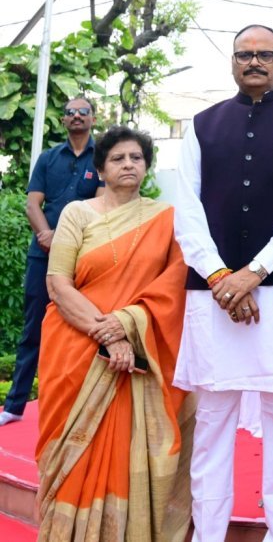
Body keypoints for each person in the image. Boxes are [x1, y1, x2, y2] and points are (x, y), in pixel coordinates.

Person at [173, 24, 273, 542]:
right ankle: (208, 534)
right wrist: (222, 277)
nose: (255, 61)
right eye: (245, 54)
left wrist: (254, 272)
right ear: (232, 62)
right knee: (213, 422)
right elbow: (187, 210)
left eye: (265, 54)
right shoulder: (202, 124)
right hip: (213, 291)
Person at [36, 126, 193, 541]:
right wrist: (109, 335)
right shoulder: (77, 213)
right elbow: (58, 284)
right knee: (73, 454)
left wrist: (127, 323)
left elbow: (175, 286)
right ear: (101, 169)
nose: (128, 164)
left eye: (136, 158)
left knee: (127, 450)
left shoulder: (165, 218)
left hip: (138, 353)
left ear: (146, 167)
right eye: (118, 159)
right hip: (76, 346)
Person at [0, 97, 101, 428]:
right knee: (34, 326)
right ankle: (15, 404)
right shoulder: (47, 158)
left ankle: (81, 405)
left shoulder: (102, 156)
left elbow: (102, 205)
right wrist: (47, 236)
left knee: (85, 325)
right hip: (42, 255)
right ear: (63, 120)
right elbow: (33, 205)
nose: (75, 116)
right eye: (70, 112)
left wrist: (65, 240)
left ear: (93, 118)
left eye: (82, 112)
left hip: (84, 255)